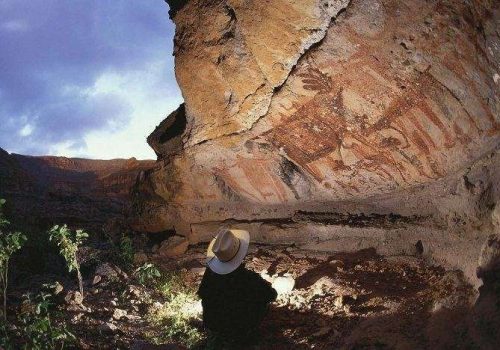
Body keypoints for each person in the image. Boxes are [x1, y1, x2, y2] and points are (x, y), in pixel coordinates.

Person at [198, 228, 277, 347]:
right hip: (239, 332)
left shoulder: (210, 274)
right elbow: (271, 294)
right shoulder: (247, 279)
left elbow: (203, 294)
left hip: (214, 328)